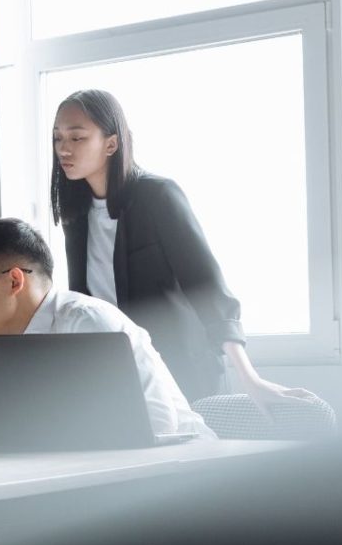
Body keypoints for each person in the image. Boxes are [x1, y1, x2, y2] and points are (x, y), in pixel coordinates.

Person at [51, 89, 318, 414]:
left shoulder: (157, 196)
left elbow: (207, 287)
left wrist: (250, 379)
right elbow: (87, 304)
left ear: (111, 143)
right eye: (58, 138)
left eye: (77, 138)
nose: (64, 148)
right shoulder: (75, 215)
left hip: (184, 373)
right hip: (117, 377)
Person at [0, 217, 214, 438]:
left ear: (14, 281)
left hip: (188, 467)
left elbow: (158, 425)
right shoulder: (10, 340)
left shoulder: (85, 321)